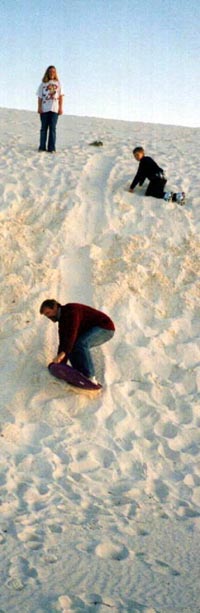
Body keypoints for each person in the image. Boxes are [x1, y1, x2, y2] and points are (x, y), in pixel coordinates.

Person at [40, 299, 115, 383]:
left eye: (48, 313)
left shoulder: (71, 310)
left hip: (105, 328)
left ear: (55, 307)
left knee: (81, 343)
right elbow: (63, 342)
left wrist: (63, 353)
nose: (48, 317)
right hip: (92, 329)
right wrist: (61, 363)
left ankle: (90, 377)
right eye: (46, 315)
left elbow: (72, 333)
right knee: (71, 347)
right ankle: (80, 374)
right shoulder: (62, 322)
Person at [37, 66, 64, 153]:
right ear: (47, 73)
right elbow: (40, 97)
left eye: (53, 71)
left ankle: (51, 148)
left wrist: (60, 108)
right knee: (43, 128)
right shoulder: (43, 84)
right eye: (50, 71)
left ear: (55, 73)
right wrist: (39, 107)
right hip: (44, 109)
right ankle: (42, 147)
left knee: (52, 128)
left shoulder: (58, 83)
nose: (52, 73)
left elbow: (61, 96)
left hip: (54, 109)